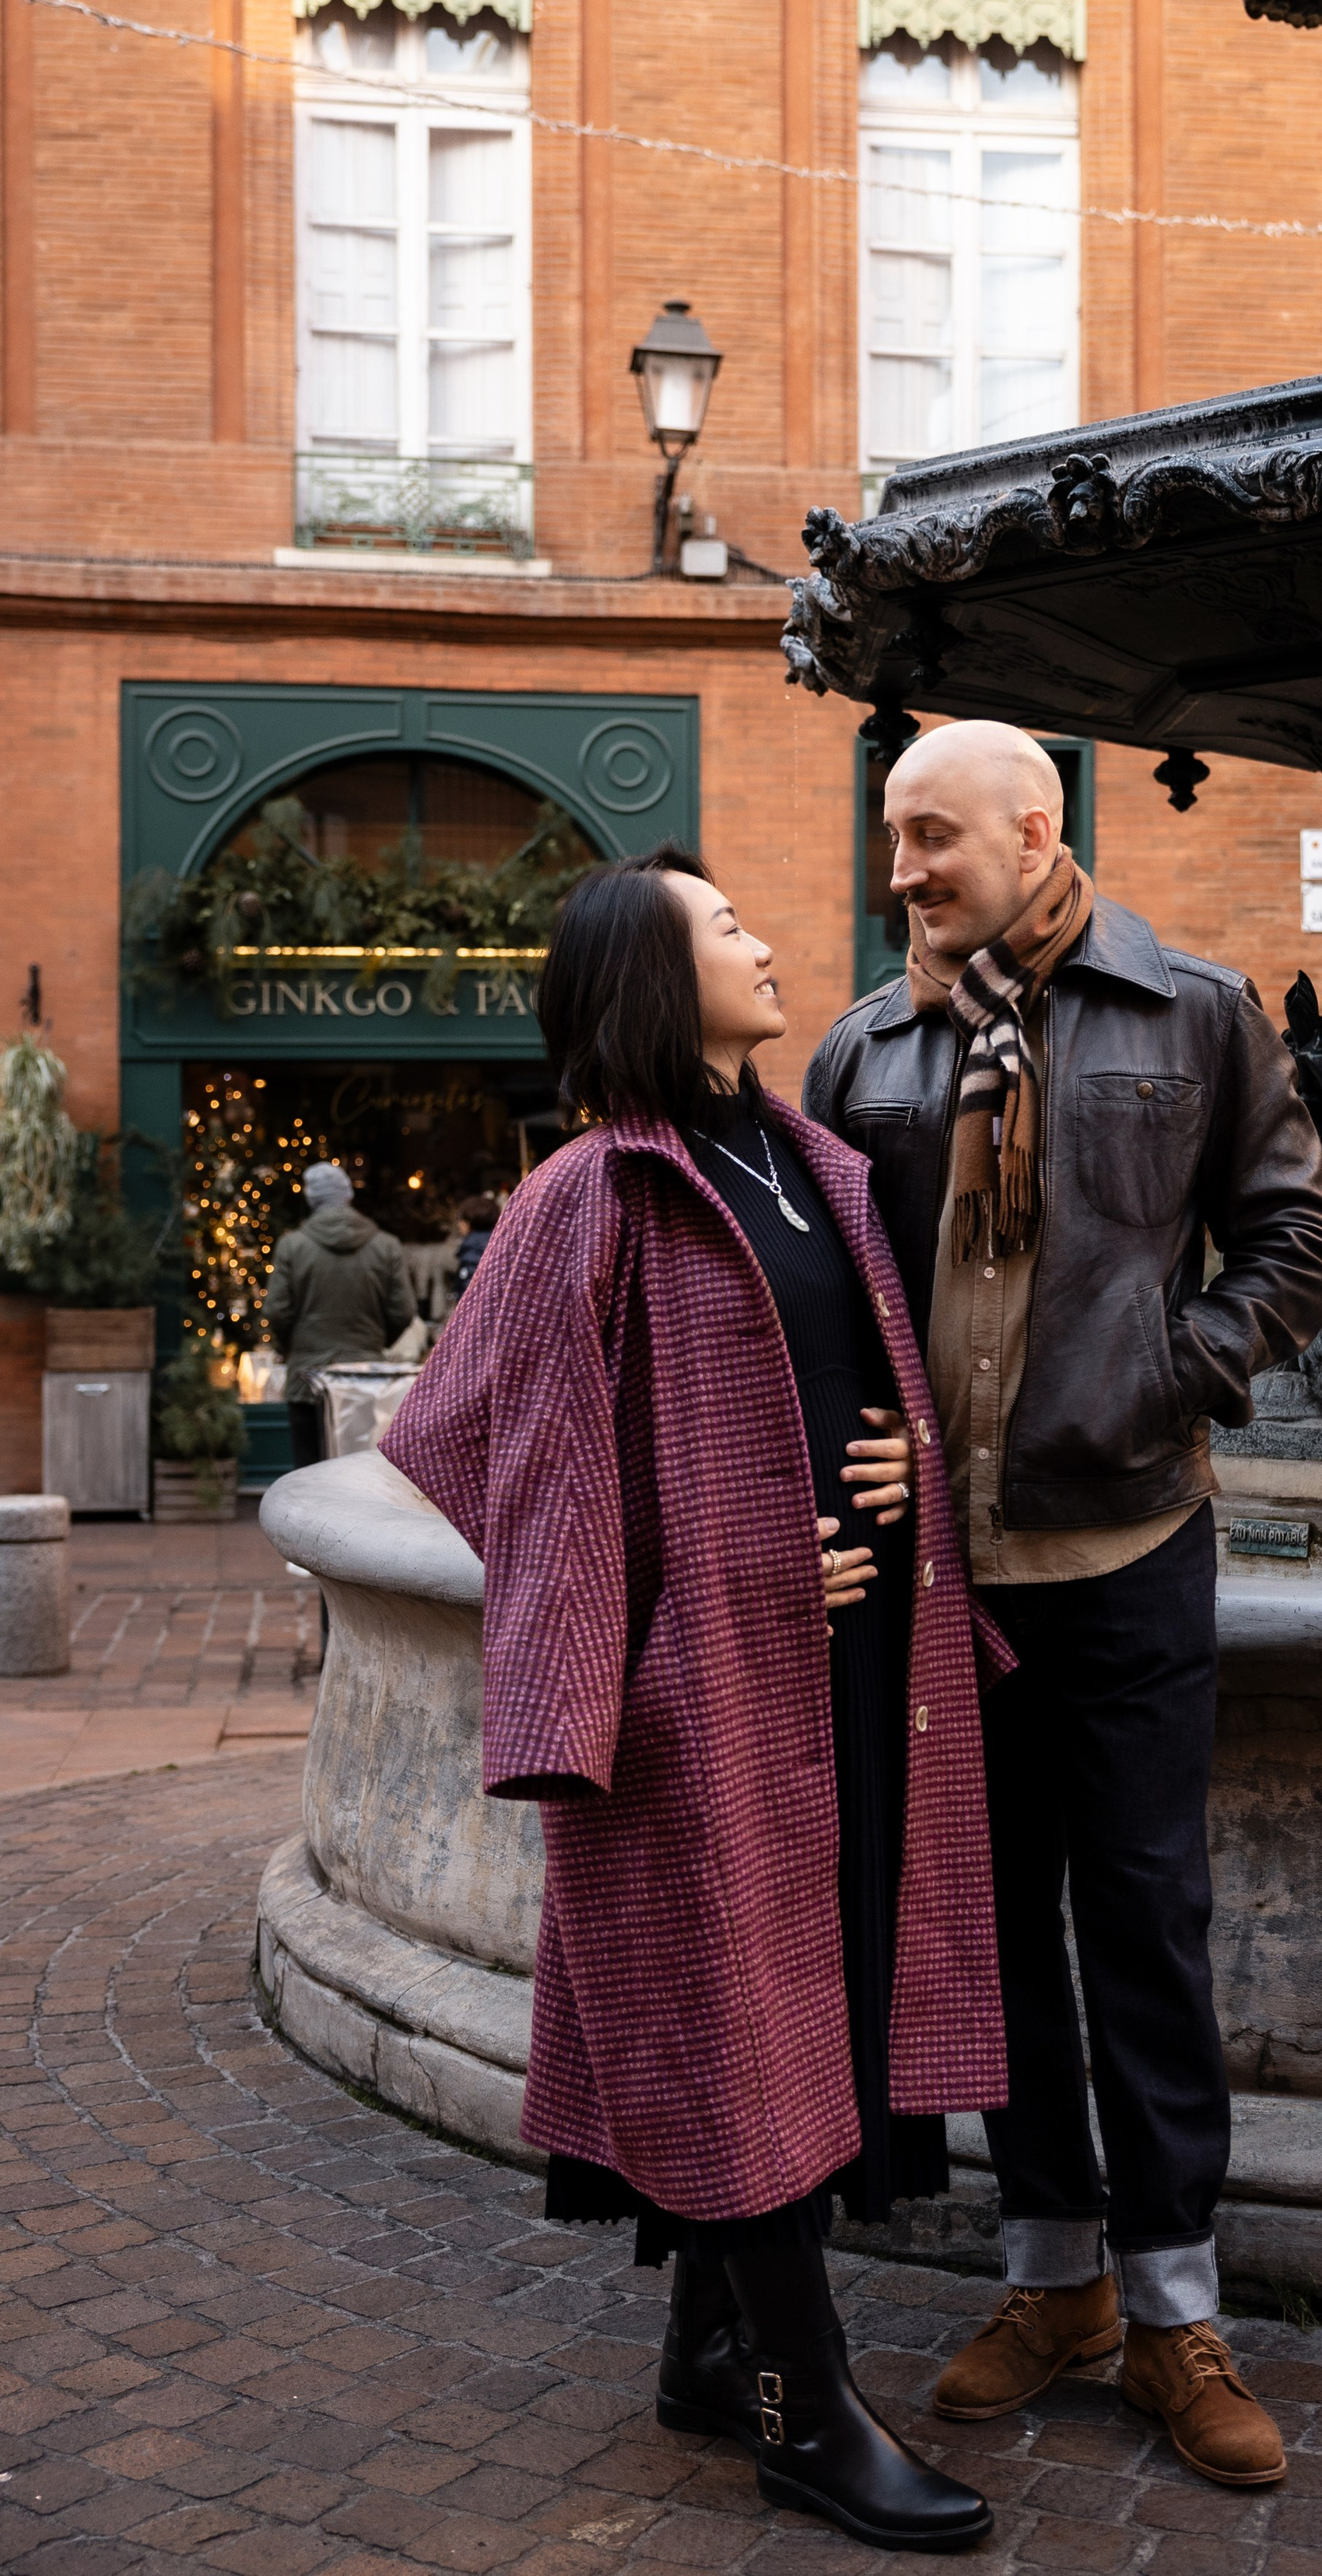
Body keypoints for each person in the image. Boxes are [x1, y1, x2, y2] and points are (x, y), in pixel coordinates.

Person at [381, 848, 1006, 2553]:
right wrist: (698, 1597)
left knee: (814, 2001)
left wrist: (901, 1466)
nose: (764, 934)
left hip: (858, 1662)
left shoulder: (814, 1163)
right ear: (653, 981)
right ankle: (807, 2417)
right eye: (725, 926)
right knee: (742, 2017)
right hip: (698, 1693)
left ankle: (705, 2351)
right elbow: (466, 1442)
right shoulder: (588, 1192)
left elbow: (860, 1385)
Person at [806, 724, 1322, 2492]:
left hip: (1124, 1554)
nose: (905, 869)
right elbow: (810, 1298)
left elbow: (1293, 1238)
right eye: (893, 839)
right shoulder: (863, 1049)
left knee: (1143, 1931)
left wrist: (1164, 1371)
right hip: (938, 1584)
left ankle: (1177, 2309)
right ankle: (1052, 2280)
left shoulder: (1187, 1010)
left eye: (933, 834)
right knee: (990, 1933)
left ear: (1036, 827)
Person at [265, 1160, 416, 1472]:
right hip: (365, 1379)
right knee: (361, 1475)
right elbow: (404, 1311)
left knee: (308, 1475)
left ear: (311, 1199)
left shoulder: (293, 1246)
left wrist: (293, 1349)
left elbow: (276, 1311)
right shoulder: (385, 1245)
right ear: (348, 1196)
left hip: (308, 1378)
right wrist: (373, 1340)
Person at [451, 1191, 501, 1299]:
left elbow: (469, 1288)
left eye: (461, 1219)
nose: (459, 1224)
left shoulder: (472, 1247)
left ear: (468, 1221)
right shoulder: (498, 1241)